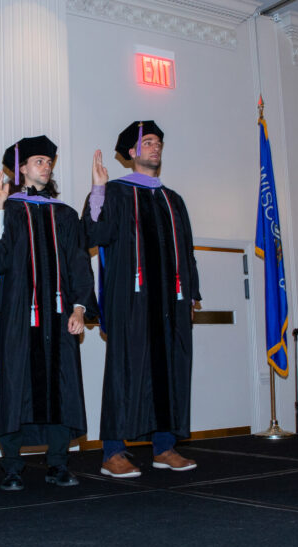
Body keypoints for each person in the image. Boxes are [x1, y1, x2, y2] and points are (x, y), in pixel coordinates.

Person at [83, 120, 201, 478]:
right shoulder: (116, 193)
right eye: (147, 142)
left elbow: (187, 250)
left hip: (170, 302)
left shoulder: (172, 199)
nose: (155, 148)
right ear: (132, 152)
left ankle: (164, 447)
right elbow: (93, 234)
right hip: (129, 302)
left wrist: (191, 293)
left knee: (170, 369)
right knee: (125, 370)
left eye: (158, 142)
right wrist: (98, 190)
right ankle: (113, 452)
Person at [0, 136, 92, 490]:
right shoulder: (6, 209)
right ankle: (12, 465)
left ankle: (58, 463)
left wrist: (79, 306)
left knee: (61, 385)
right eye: (38, 161)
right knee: (16, 387)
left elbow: (78, 263)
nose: (46, 166)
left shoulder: (66, 214)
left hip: (58, 318)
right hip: (18, 318)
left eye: (48, 161)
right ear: (21, 167)